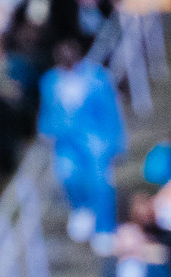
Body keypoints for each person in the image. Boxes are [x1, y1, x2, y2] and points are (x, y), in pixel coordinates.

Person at [39, 41, 125, 243]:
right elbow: (46, 110)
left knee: (100, 183)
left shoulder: (97, 77)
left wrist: (117, 143)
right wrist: (44, 130)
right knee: (66, 176)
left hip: (94, 139)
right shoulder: (50, 80)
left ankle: (105, 228)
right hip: (65, 140)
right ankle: (82, 209)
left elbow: (111, 112)